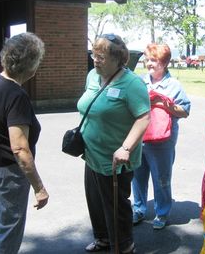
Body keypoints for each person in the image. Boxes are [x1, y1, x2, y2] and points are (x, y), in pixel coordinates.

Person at [0, 32, 49, 254]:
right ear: (32, 66)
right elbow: (19, 148)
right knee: (9, 230)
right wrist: (40, 188)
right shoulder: (16, 95)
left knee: (4, 220)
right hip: (5, 171)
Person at [78, 34, 150, 253]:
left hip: (116, 157)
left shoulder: (132, 83)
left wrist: (126, 147)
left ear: (118, 59)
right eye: (94, 55)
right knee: (96, 201)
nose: (95, 60)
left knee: (115, 206)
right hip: (91, 154)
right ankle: (103, 238)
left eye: (101, 56)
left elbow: (144, 118)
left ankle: (124, 245)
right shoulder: (92, 76)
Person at [132, 44, 191, 230]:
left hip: (162, 142)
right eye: (147, 59)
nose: (149, 63)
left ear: (164, 63)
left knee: (161, 178)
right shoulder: (140, 82)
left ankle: (162, 213)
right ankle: (139, 209)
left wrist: (166, 105)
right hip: (139, 138)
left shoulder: (174, 85)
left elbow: (185, 111)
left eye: (154, 60)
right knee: (137, 177)